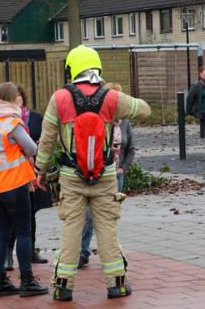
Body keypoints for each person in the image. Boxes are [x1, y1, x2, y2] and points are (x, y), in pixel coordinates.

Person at [35, 45, 151, 301]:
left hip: (71, 177)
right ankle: (117, 285)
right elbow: (144, 110)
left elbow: (46, 141)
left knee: (71, 232)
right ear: (97, 68)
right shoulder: (110, 97)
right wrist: (119, 104)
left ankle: (63, 286)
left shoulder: (60, 98)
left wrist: (39, 171)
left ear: (71, 69)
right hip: (106, 176)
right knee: (107, 231)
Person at [0, 82, 48, 298]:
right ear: (10, 100)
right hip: (15, 186)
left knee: (1, 233)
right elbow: (32, 148)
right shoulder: (11, 122)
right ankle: (27, 281)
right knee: (23, 232)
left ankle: (0, 282)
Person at [79, 83, 135, 270]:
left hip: (116, 175)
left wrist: (123, 169)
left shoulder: (125, 122)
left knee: (109, 217)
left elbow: (131, 149)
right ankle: (82, 252)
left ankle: (110, 254)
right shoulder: (99, 119)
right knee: (89, 216)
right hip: (99, 175)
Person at [5, 86, 50, 271]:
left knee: (31, 214)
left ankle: (31, 251)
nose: (18, 101)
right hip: (13, 175)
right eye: (14, 99)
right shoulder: (6, 122)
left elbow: (45, 139)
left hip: (32, 173)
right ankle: (7, 253)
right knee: (12, 217)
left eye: (20, 98)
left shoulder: (35, 117)